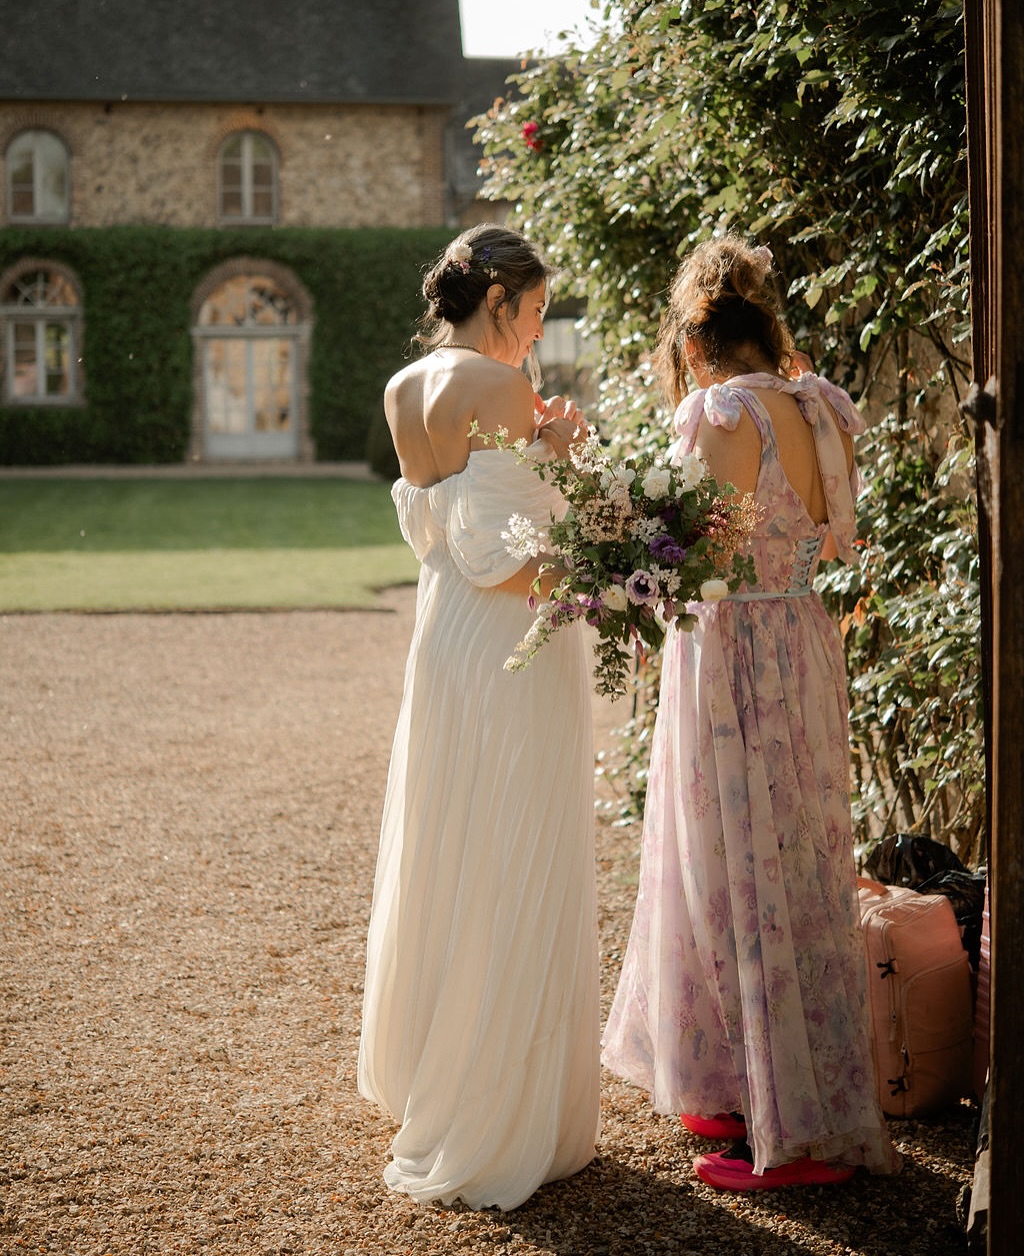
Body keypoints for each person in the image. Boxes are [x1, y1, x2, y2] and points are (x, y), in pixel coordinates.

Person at [601, 234, 901, 1190]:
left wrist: (616, 560)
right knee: (798, 868)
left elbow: (684, 555)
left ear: (695, 345)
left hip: (726, 657)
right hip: (803, 648)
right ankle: (757, 1085)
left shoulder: (714, 412)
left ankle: (788, 1130)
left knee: (728, 869)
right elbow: (834, 543)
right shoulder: (823, 410)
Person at [357, 224, 600, 1210]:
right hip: (510, 640)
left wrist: (546, 448)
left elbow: (444, 525)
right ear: (499, 299)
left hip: (441, 639)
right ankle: (494, 1102)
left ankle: (433, 1065)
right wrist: (606, 561)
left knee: (451, 835)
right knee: (511, 842)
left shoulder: (402, 386)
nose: (538, 334)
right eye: (536, 311)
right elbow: (508, 557)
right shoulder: (498, 385)